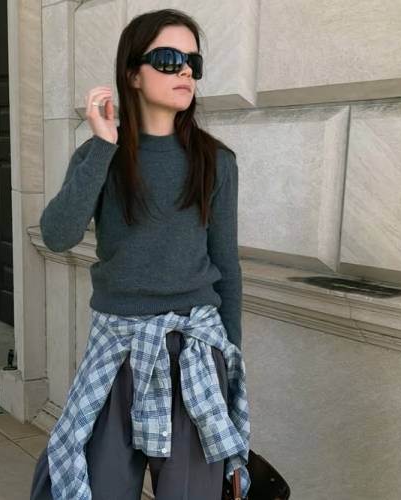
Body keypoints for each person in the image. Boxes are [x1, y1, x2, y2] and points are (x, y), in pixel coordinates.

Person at [29, 8, 250, 500]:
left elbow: (226, 269)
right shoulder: (99, 156)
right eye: (169, 59)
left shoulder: (216, 162)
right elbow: (57, 235)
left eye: (193, 61)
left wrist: (229, 359)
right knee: (92, 486)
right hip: (117, 351)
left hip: (194, 355)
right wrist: (104, 143)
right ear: (132, 73)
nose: (186, 70)